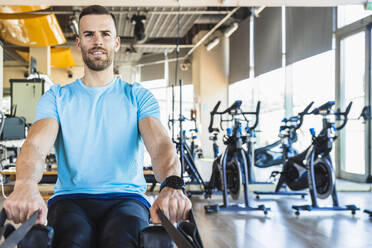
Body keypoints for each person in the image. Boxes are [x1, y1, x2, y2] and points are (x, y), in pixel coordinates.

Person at [3, 5, 192, 248]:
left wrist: (172, 184)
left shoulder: (137, 96)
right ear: (79, 42)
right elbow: (36, 146)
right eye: (89, 34)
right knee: (71, 239)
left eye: (105, 34)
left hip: (127, 198)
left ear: (116, 42)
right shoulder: (57, 97)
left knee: (122, 239)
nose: (97, 41)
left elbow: (160, 146)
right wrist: (25, 184)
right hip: (70, 199)